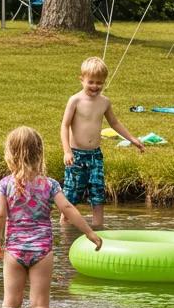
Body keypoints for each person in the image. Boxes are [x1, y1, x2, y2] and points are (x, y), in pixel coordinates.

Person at [0, 126, 103, 308]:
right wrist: (89, 232)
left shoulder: (5, 184)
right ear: (39, 153)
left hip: (14, 251)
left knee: (10, 304)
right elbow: (67, 209)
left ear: (10, 154)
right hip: (42, 251)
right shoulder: (49, 184)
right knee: (41, 306)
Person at [60, 56, 146, 230]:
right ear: (81, 79)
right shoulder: (75, 100)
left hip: (95, 156)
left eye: (99, 83)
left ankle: (98, 229)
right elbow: (64, 125)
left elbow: (114, 123)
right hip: (76, 155)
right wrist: (67, 151)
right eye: (91, 82)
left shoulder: (104, 102)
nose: (95, 86)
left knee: (98, 195)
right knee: (71, 195)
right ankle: (64, 230)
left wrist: (132, 139)